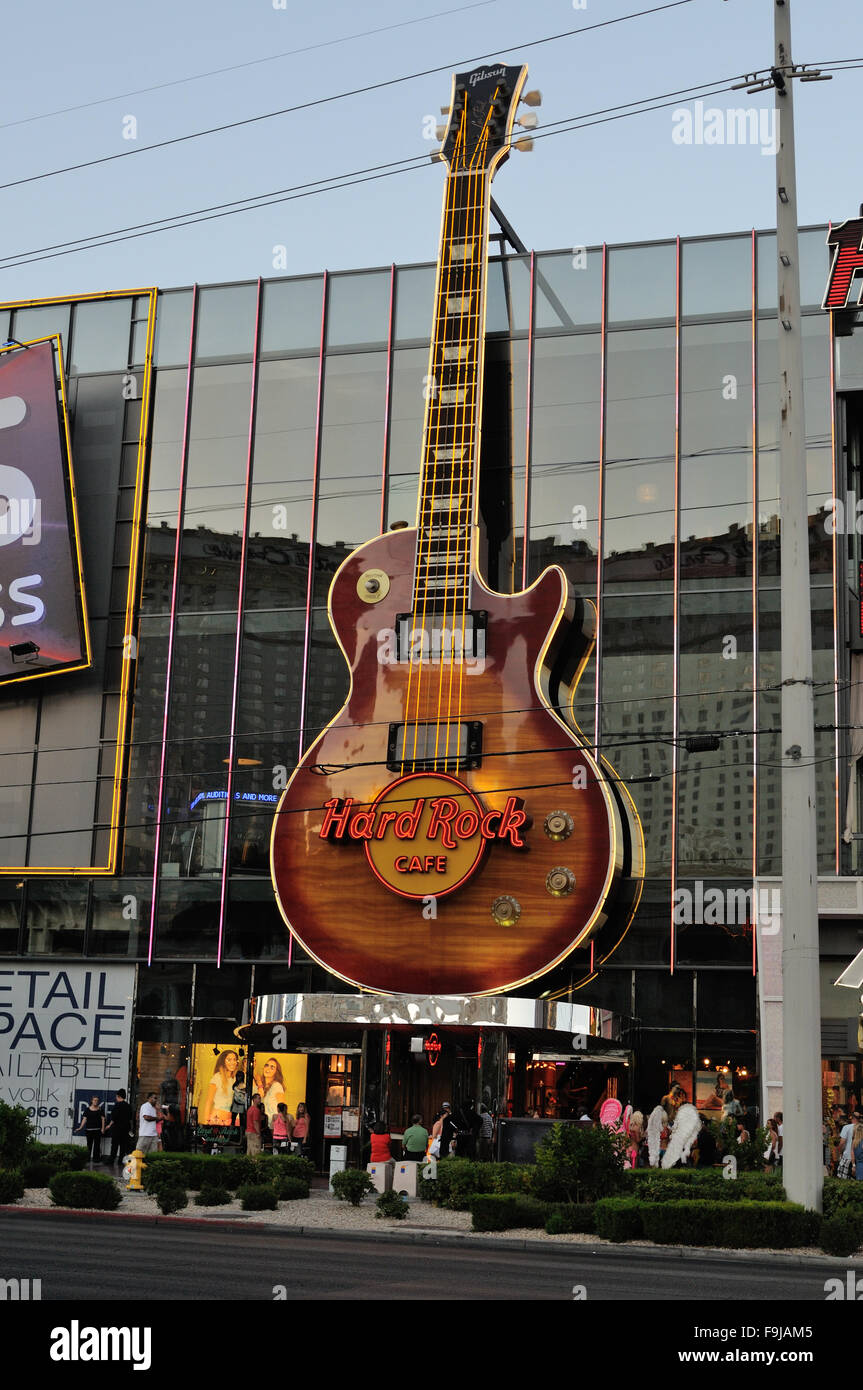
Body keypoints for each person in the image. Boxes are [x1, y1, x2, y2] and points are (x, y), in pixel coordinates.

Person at [202, 1050, 239, 1125]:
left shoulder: (235, 1079)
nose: (232, 1062)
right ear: (223, 1062)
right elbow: (209, 1101)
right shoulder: (217, 1078)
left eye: (234, 1059)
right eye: (229, 1060)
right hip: (217, 1119)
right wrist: (205, 1123)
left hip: (231, 1121)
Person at [253, 1056, 288, 1125]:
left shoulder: (277, 1086)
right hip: (260, 1125)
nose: (268, 1068)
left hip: (272, 1126)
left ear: (276, 1072)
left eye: (272, 1067)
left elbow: (282, 1109)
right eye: (267, 1065)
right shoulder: (261, 1085)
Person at [104, 1089, 132, 1166]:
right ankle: (121, 1160)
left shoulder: (117, 1105)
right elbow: (130, 1117)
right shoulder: (128, 1106)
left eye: (116, 1096)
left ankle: (111, 1160)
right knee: (123, 1145)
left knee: (115, 1145)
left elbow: (114, 1118)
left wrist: (109, 1125)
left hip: (117, 1128)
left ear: (118, 1096)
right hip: (125, 1128)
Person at [76, 1096, 105, 1164]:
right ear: (92, 1101)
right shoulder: (87, 1110)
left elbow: (103, 1119)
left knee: (97, 1145)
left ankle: (96, 1159)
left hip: (97, 1130)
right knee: (89, 1145)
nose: (96, 1102)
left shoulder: (100, 1109)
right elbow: (84, 1119)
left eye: (97, 1100)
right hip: (89, 1130)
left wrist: (103, 1128)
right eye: (94, 1100)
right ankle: (87, 1158)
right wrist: (80, 1127)